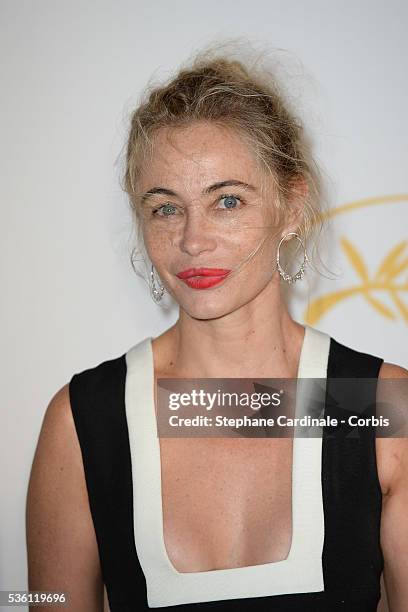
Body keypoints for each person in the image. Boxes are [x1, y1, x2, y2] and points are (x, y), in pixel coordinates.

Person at [26, 44, 408, 612]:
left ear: (293, 206)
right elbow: (44, 599)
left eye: (227, 201)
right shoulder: (84, 420)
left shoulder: (383, 411)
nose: (193, 241)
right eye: (165, 208)